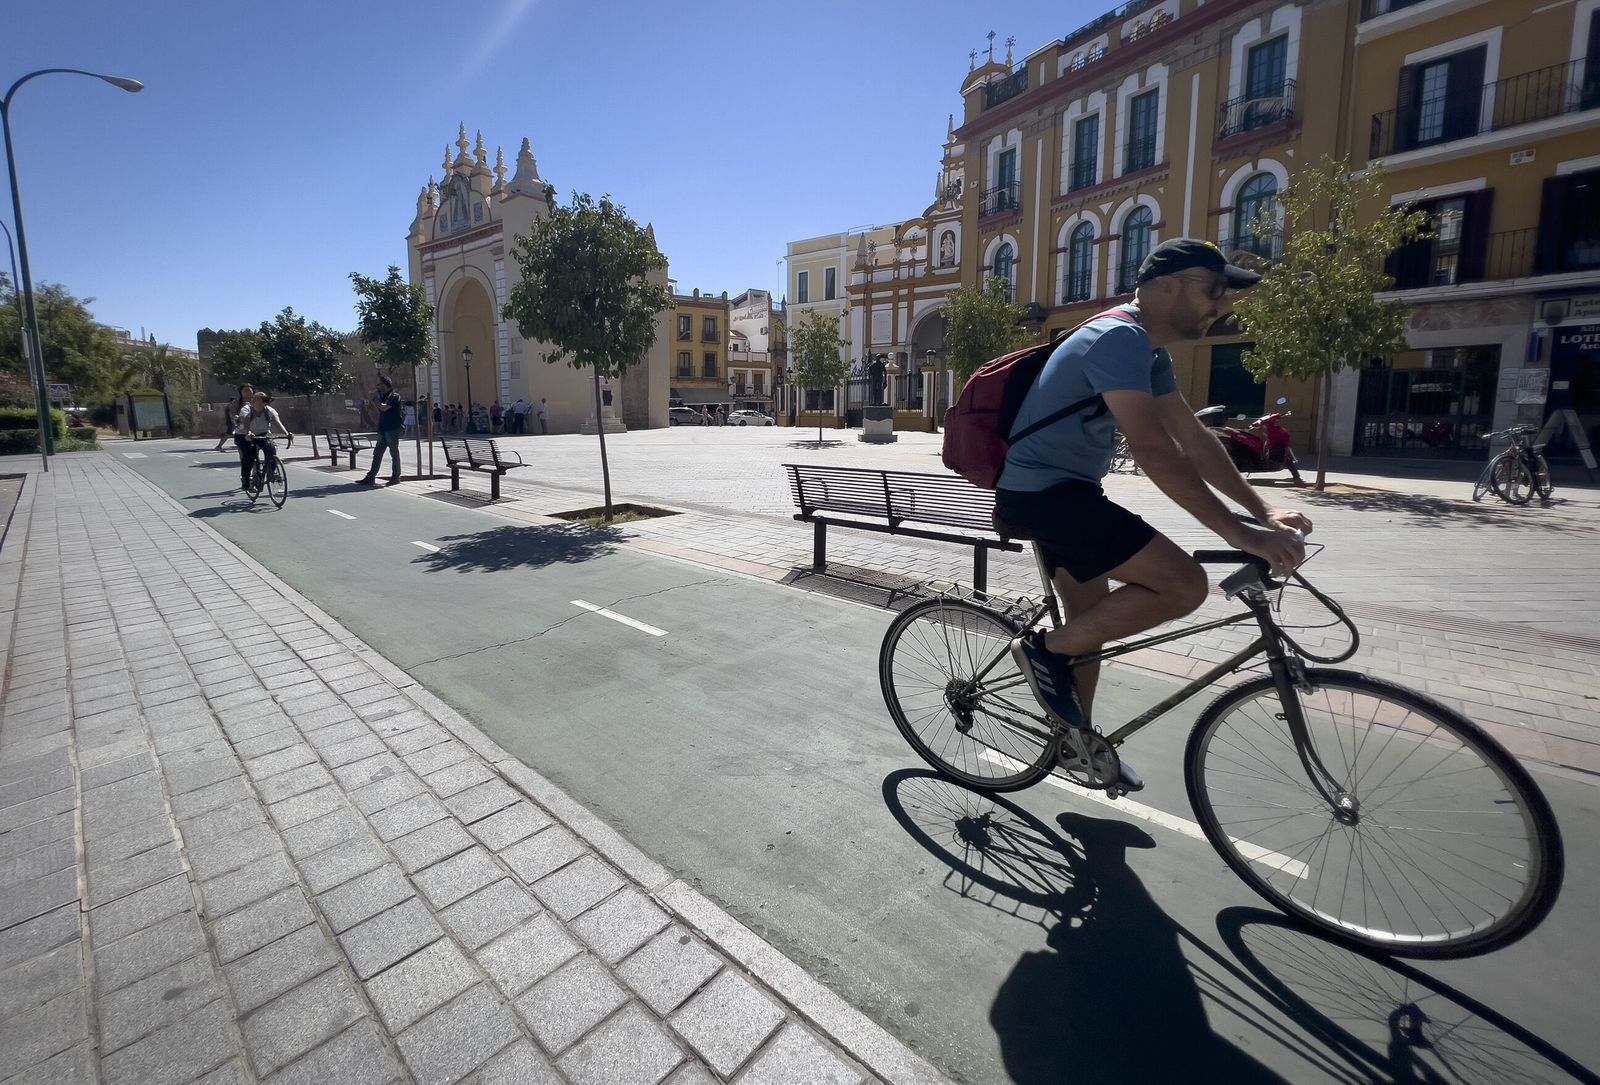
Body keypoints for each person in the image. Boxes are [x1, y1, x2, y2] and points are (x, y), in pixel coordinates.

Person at [994, 239, 1311, 792]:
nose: (1223, 303)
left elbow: (1193, 437)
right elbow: (1154, 448)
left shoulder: (1147, 349)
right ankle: (1039, 651)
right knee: (1184, 584)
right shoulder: (1116, 337)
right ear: (1168, 287)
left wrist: (1262, 508)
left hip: (1064, 491)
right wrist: (1241, 534)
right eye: (1214, 289)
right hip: (1045, 495)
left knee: (1089, 625)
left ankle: (1074, 742)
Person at [235, 391, 291, 491]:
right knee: (249, 455)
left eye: (258, 400)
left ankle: (271, 473)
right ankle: (246, 480)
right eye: (254, 399)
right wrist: (248, 433)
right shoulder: (247, 410)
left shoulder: (269, 411)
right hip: (247, 435)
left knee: (271, 449)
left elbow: (277, 422)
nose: (254, 401)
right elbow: (245, 424)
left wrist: (287, 434)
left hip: (263, 434)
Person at [358, 375, 403, 485]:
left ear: (385, 384)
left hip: (392, 428)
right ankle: (370, 477)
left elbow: (384, 407)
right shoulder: (382, 396)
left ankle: (396, 477)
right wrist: (372, 402)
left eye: (379, 384)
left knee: (394, 453)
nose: (377, 387)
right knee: (377, 453)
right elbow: (379, 411)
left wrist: (374, 400)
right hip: (383, 428)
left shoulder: (394, 396)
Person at [213, 385, 251, 452]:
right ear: (241, 392)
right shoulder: (236, 403)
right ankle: (219, 446)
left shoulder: (256, 401)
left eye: (250, 391)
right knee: (230, 433)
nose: (248, 392)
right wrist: (236, 419)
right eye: (245, 391)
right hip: (240, 424)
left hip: (254, 425)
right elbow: (233, 413)